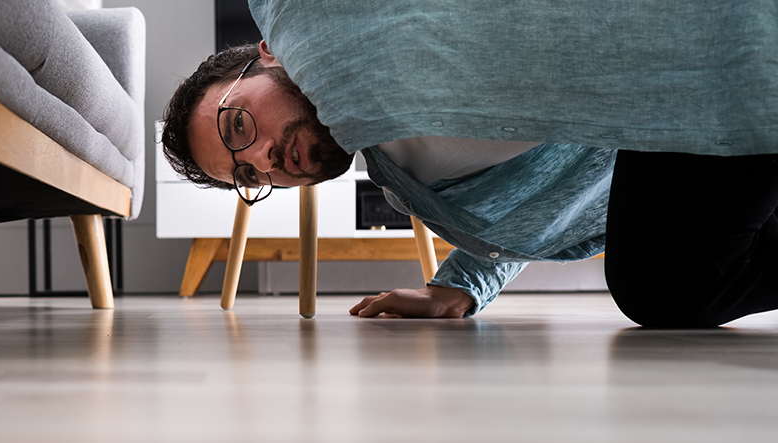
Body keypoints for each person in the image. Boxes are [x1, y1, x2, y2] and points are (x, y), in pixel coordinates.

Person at [159, 0, 778, 327]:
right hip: (671, 123)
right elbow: (526, 202)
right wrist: (461, 283)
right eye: (247, 176)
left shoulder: (332, 20)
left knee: (661, 286)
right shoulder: (409, 188)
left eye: (239, 124)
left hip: (708, 41)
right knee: (667, 291)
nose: (264, 159)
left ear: (267, 54)